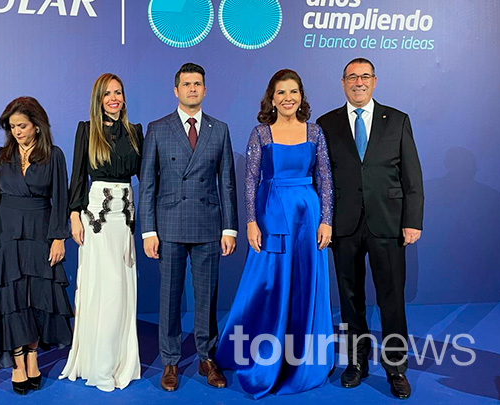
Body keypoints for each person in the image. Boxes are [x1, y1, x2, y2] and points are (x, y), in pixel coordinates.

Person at [215, 69, 334, 398]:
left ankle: (303, 357)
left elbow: (324, 178)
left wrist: (326, 220)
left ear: (301, 96)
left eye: (293, 92)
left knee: (307, 283)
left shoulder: (315, 132)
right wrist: (251, 221)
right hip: (271, 215)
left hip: (308, 216)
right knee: (269, 284)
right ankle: (262, 353)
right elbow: (251, 181)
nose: (287, 98)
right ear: (271, 98)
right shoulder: (261, 133)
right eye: (281, 93)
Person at [316, 58, 424, 399]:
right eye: (352, 77)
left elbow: (412, 177)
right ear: (343, 82)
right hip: (344, 226)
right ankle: (357, 363)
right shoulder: (326, 123)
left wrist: (412, 221)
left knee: (392, 300)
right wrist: (326, 220)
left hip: (388, 224)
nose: (358, 82)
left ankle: (396, 369)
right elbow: (323, 179)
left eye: (365, 77)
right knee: (350, 301)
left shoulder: (398, 120)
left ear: (375, 81)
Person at [139, 62, 238, 392]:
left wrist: (230, 228)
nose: (192, 89)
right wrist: (148, 231)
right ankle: (169, 360)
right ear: (176, 90)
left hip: (209, 224)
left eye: (197, 84)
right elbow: (148, 184)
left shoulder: (219, 129)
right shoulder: (158, 128)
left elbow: (227, 182)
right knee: (168, 296)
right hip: (168, 225)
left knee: (207, 297)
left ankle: (206, 357)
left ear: (205, 89)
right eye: (186, 84)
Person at [0, 96, 73, 395]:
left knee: (37, 297)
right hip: (6, 234)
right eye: (12, 127)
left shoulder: (54, 155)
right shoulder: (0, 155)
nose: (17, 131)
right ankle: (18, 361)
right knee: (13, 299)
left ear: (37, 125)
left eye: (22, 125)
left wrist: (59, 237)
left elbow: (61, 198)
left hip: (40, 232)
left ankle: (33, 355)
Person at [59, 73, 143, 391]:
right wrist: (74, 215)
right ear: (98, 99)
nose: (114, 98)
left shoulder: (135, 132)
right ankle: (99, 363)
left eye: (118, 92)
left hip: (126, 220)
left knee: (122, 290)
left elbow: (145, 176)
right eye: (108, 93)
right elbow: (78, 175)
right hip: (96, 218)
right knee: (102, 289)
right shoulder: (86, 130)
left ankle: (120, 359)